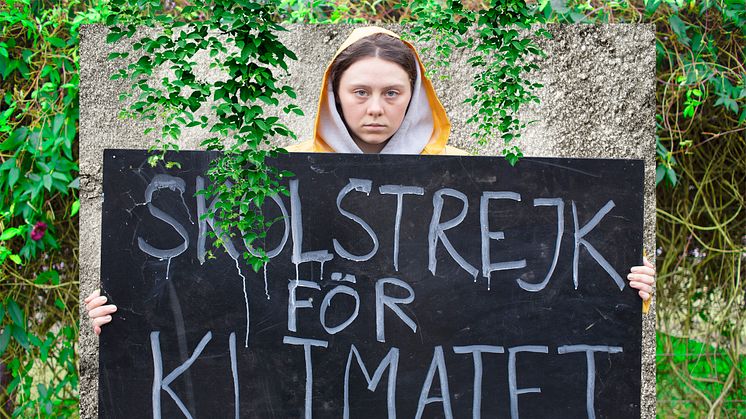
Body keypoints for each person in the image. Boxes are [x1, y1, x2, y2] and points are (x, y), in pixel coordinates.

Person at [85, 26, 656, 334]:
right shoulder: (278, 179)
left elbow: (529, 284)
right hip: (306, 383)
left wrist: (628, 292)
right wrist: (128, 305)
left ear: (413, 97)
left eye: (392, 93)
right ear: (334, 94)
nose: (376, 108)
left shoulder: (464, 180)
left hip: (433, 385)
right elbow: (216, 284)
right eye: (360, 92)